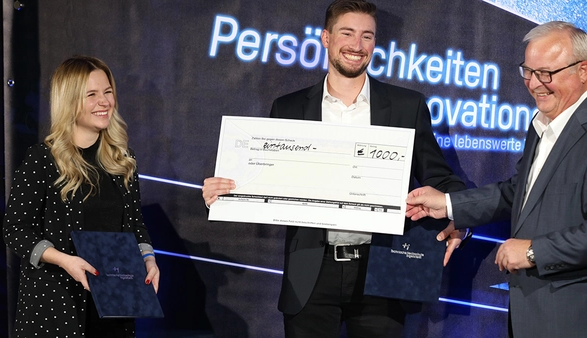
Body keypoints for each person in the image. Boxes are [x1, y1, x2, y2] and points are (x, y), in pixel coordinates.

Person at [203, 1, 467, 336]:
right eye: (348, 33)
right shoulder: (288, 108)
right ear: (326, 38)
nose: (357, 46)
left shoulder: (407, 106)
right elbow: (264, 182)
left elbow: (440, 177)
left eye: (367, 36)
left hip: (382, 270)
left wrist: (462, 215)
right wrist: (224, 193)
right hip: (311, 272)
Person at [405, 21, 587, 338]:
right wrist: (447, 204)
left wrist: (533, 252)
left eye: (546, 73)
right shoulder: (543, 122)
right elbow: (517, 194)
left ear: (584, 71)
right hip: (532, 313)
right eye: (528, 72)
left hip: (573, 313)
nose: (534, 84)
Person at [3, 55, 160, 338]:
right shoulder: (42, 159)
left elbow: (136, 226)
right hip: (57, 308)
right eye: (92, 95)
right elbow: (15, 230)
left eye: (108, 92)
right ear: (70, 101)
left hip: (114, 311)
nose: (104, 102)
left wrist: (148, 260)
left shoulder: (123, 161)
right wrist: (64, 260)